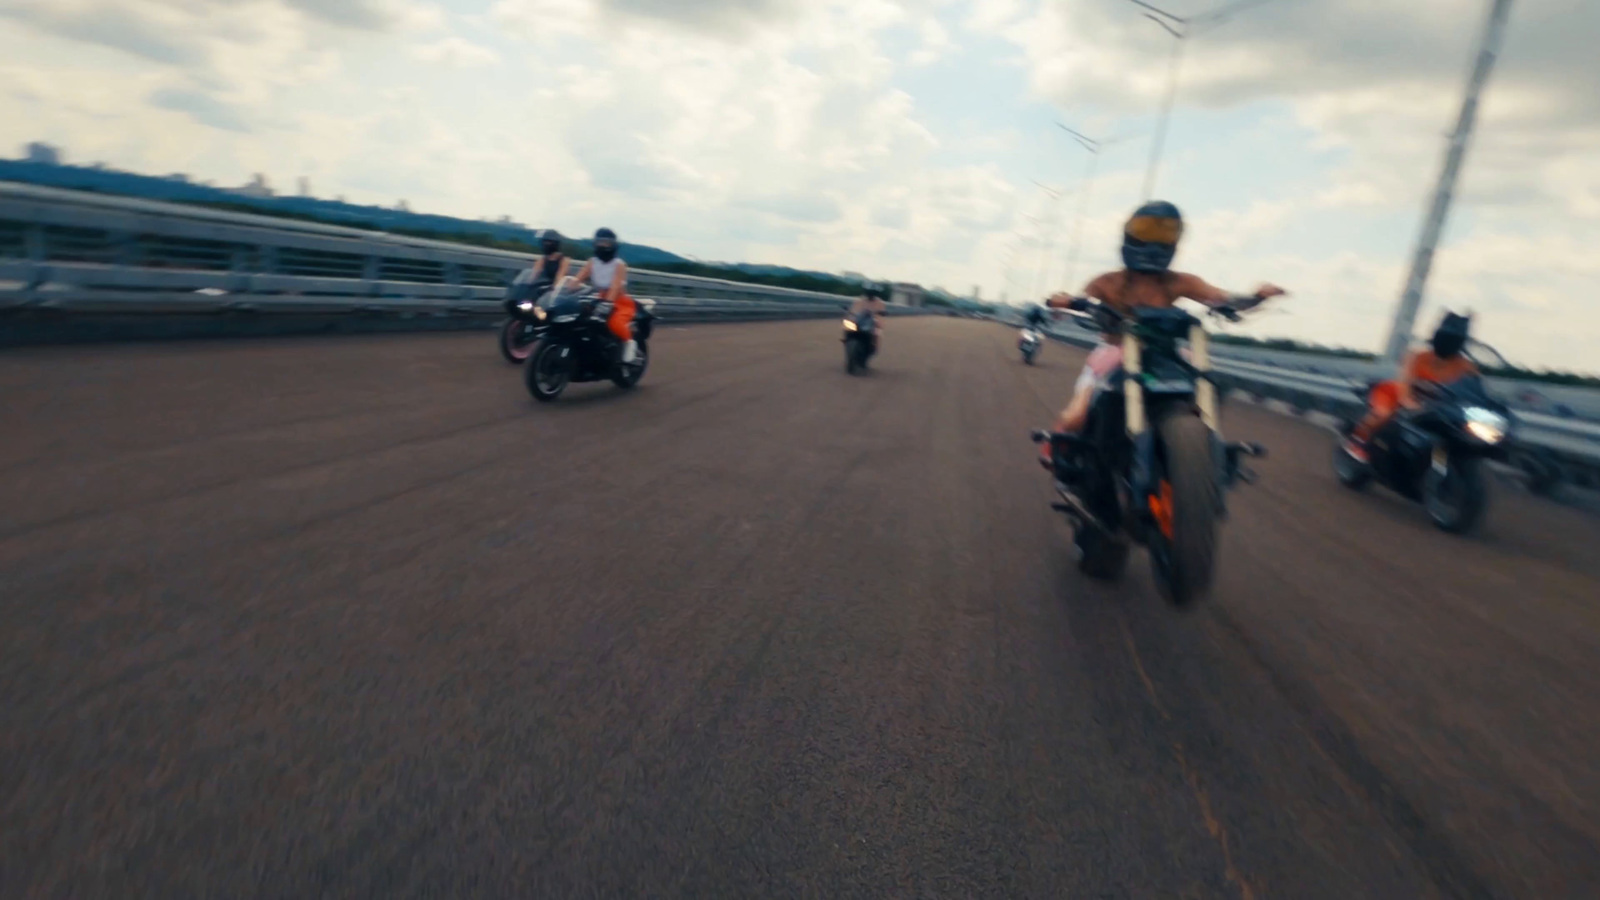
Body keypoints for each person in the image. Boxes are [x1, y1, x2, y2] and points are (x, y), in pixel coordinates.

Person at [1041, 201, 1285, 442]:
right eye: (1146, 231)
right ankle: (1059, 449)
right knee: (1076, 417)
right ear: (1130, 234)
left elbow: (1222, 298)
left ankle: (1207, 445)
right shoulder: (1107, 282)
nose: (1154, 242)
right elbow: (1082, 301)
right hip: (1113, 351)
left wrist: (1256, 297)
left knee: (1207, 382)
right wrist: (1065, 301)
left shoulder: (1180, 282)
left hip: (1165, 354)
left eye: (1164, 233)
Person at [1342, 311, 1478, 463]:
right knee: (1386, 413)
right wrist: (1410, 403)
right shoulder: (1417, 357)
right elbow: (1405, 385)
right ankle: (1358, 441)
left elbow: (1476, 389)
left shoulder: (1466, 366)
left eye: (1454, 339)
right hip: (1395, 394)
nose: (1449, 343)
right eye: (1448, 338)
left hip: (1435, 407)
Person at [569, 227, 639, 364]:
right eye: (599, 242)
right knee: (579, 317)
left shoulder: (619, 265)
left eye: (606, 242)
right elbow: (579, 278)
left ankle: (630, 343)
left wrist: (607, 303)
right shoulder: (592, 262)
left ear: (612, 244)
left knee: (614, 322)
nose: (602, 245)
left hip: (619, 301)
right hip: (599, 297)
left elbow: (616, 285)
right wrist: (568, 287)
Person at [847, 282, 889, 348]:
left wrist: (881, 313)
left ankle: (873, 346)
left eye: (872, 293)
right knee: (848, 327)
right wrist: (851, 313)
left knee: (877, 332)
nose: (870, 294)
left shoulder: (880, 303)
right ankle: (847, 339)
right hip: (859, 320)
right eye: (869, 292)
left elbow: (882, 312)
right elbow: (853, 309)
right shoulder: (859, 300)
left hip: (871, 322)